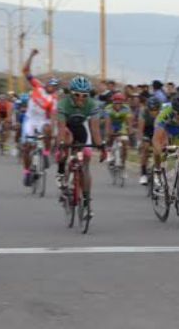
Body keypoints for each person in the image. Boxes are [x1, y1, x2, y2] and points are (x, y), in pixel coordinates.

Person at [55, 76, 106, 212]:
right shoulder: (63, 104)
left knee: (85, 163)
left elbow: (95, 129)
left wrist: (101, 147)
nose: (80, 98)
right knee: (67, 140)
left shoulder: (92, 105)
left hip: (81, 127)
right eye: (77, 95)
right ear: (71, 93)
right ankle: (61, 171)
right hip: (66, 127)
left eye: (84, 95)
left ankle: (86, 199)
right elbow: (61, 128)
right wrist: (60, 146)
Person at [20, 49, 58, 187]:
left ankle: (46, 153)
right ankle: (26, 172)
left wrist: (53, 133)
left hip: (43, 121)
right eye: (50, 85)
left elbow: (53, 116)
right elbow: (25, 71)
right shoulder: (37, 86)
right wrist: (31, 55)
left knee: (48, 128)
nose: (51, 88)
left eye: (54, 87)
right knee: (26, 147)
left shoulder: (53, 98)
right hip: (30, 119)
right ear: (46, 84)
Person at [103, 92, 133, 170]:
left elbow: (129, 121)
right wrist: (108, 132)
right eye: (116, 103)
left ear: (123, 103)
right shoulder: (108, 108)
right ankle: (109, 153)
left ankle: (123, 163)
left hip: (121, 124)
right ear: (113, 102)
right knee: (110, 137)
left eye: (120, 103)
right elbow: (107, 122)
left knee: (125, 143)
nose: (118, 105)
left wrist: (129, 130)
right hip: (111, 123)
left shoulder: (127, 108)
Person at [137, 96, 162, 185]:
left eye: (155, 109)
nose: (153, 112)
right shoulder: (143, 112)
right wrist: (140, 141)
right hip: (147, 129)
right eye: (151, 109)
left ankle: (158, 172)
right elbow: (140, 129)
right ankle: (143, 174)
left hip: (158, 129)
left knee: (158, 150)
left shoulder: (162, 112)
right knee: (145, 148)